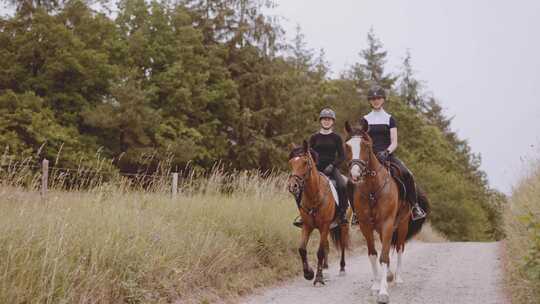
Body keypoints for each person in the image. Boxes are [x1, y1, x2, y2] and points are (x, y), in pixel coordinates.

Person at [363, 85, 426, 220]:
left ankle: (415, 207)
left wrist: (386, 152)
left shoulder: (390, 119)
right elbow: (362, 141)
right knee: (354, 179)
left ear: (383, 100)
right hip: (370, 158)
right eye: (373, 99)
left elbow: (394, 142)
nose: (376, 101)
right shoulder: (365, 119)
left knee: (408, 174)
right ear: (370, 101)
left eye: (378, 98)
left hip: (387, 156)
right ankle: (357, 213)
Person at [293, 108, 349, 227]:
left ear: (333, 121)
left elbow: (342, 156)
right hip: (316, 169)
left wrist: (332, 165)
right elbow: (308, 154)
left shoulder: (336, 138)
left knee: (342, 185)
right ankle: (302, 215)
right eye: (324, 119)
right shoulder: (314, 137)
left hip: (331, 168)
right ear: (321, 121)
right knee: (299, 189)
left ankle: (342, 214)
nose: (326, 121)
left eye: (329, 119)